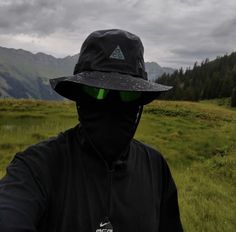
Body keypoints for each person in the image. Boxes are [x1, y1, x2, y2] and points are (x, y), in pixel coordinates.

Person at [0, 29, 183, 232]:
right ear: (79, 98)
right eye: (97, 91)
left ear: (140, 101)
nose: (113, 104)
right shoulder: (37, 167)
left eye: (128, 94)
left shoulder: (156, 168)